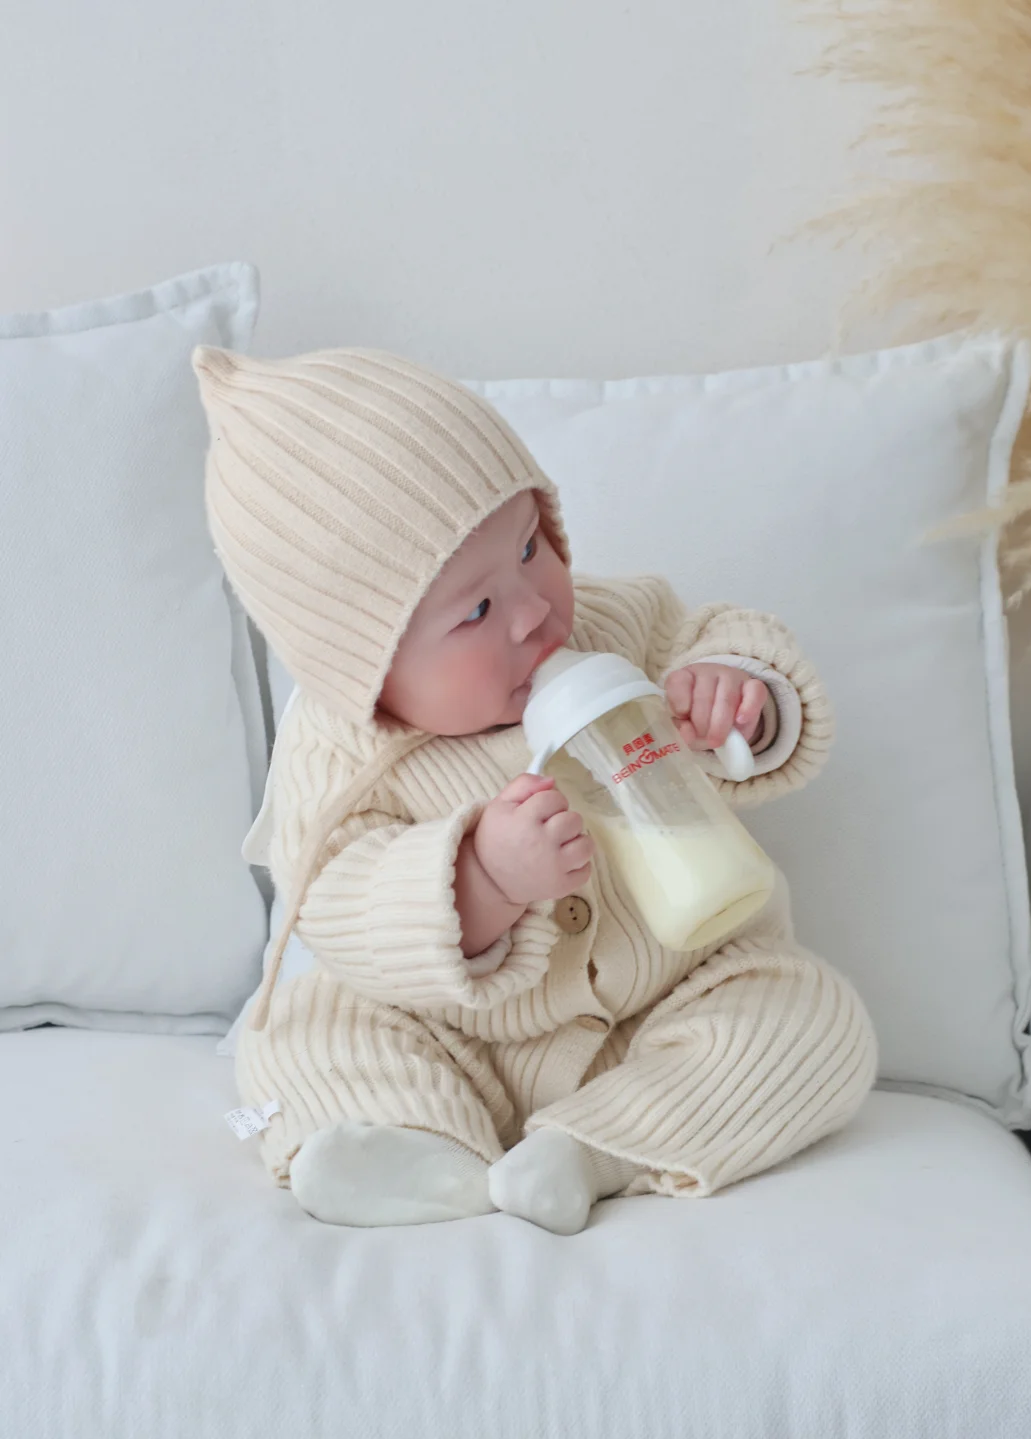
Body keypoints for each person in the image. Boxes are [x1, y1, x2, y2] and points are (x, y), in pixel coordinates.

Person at [194, 345, 877, 1235]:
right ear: (363, 666)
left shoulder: (618, 623)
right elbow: (338, 901)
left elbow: (718, 633)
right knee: (303, 1034)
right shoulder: (340, 751)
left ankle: (593, 1148)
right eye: (476, 611)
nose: (533, 611)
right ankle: (414, 1143)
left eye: (529, 546)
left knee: (813, 1016)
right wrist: (482, 878)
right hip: (452, 1037)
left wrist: (738, 695)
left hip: (664, 1005)